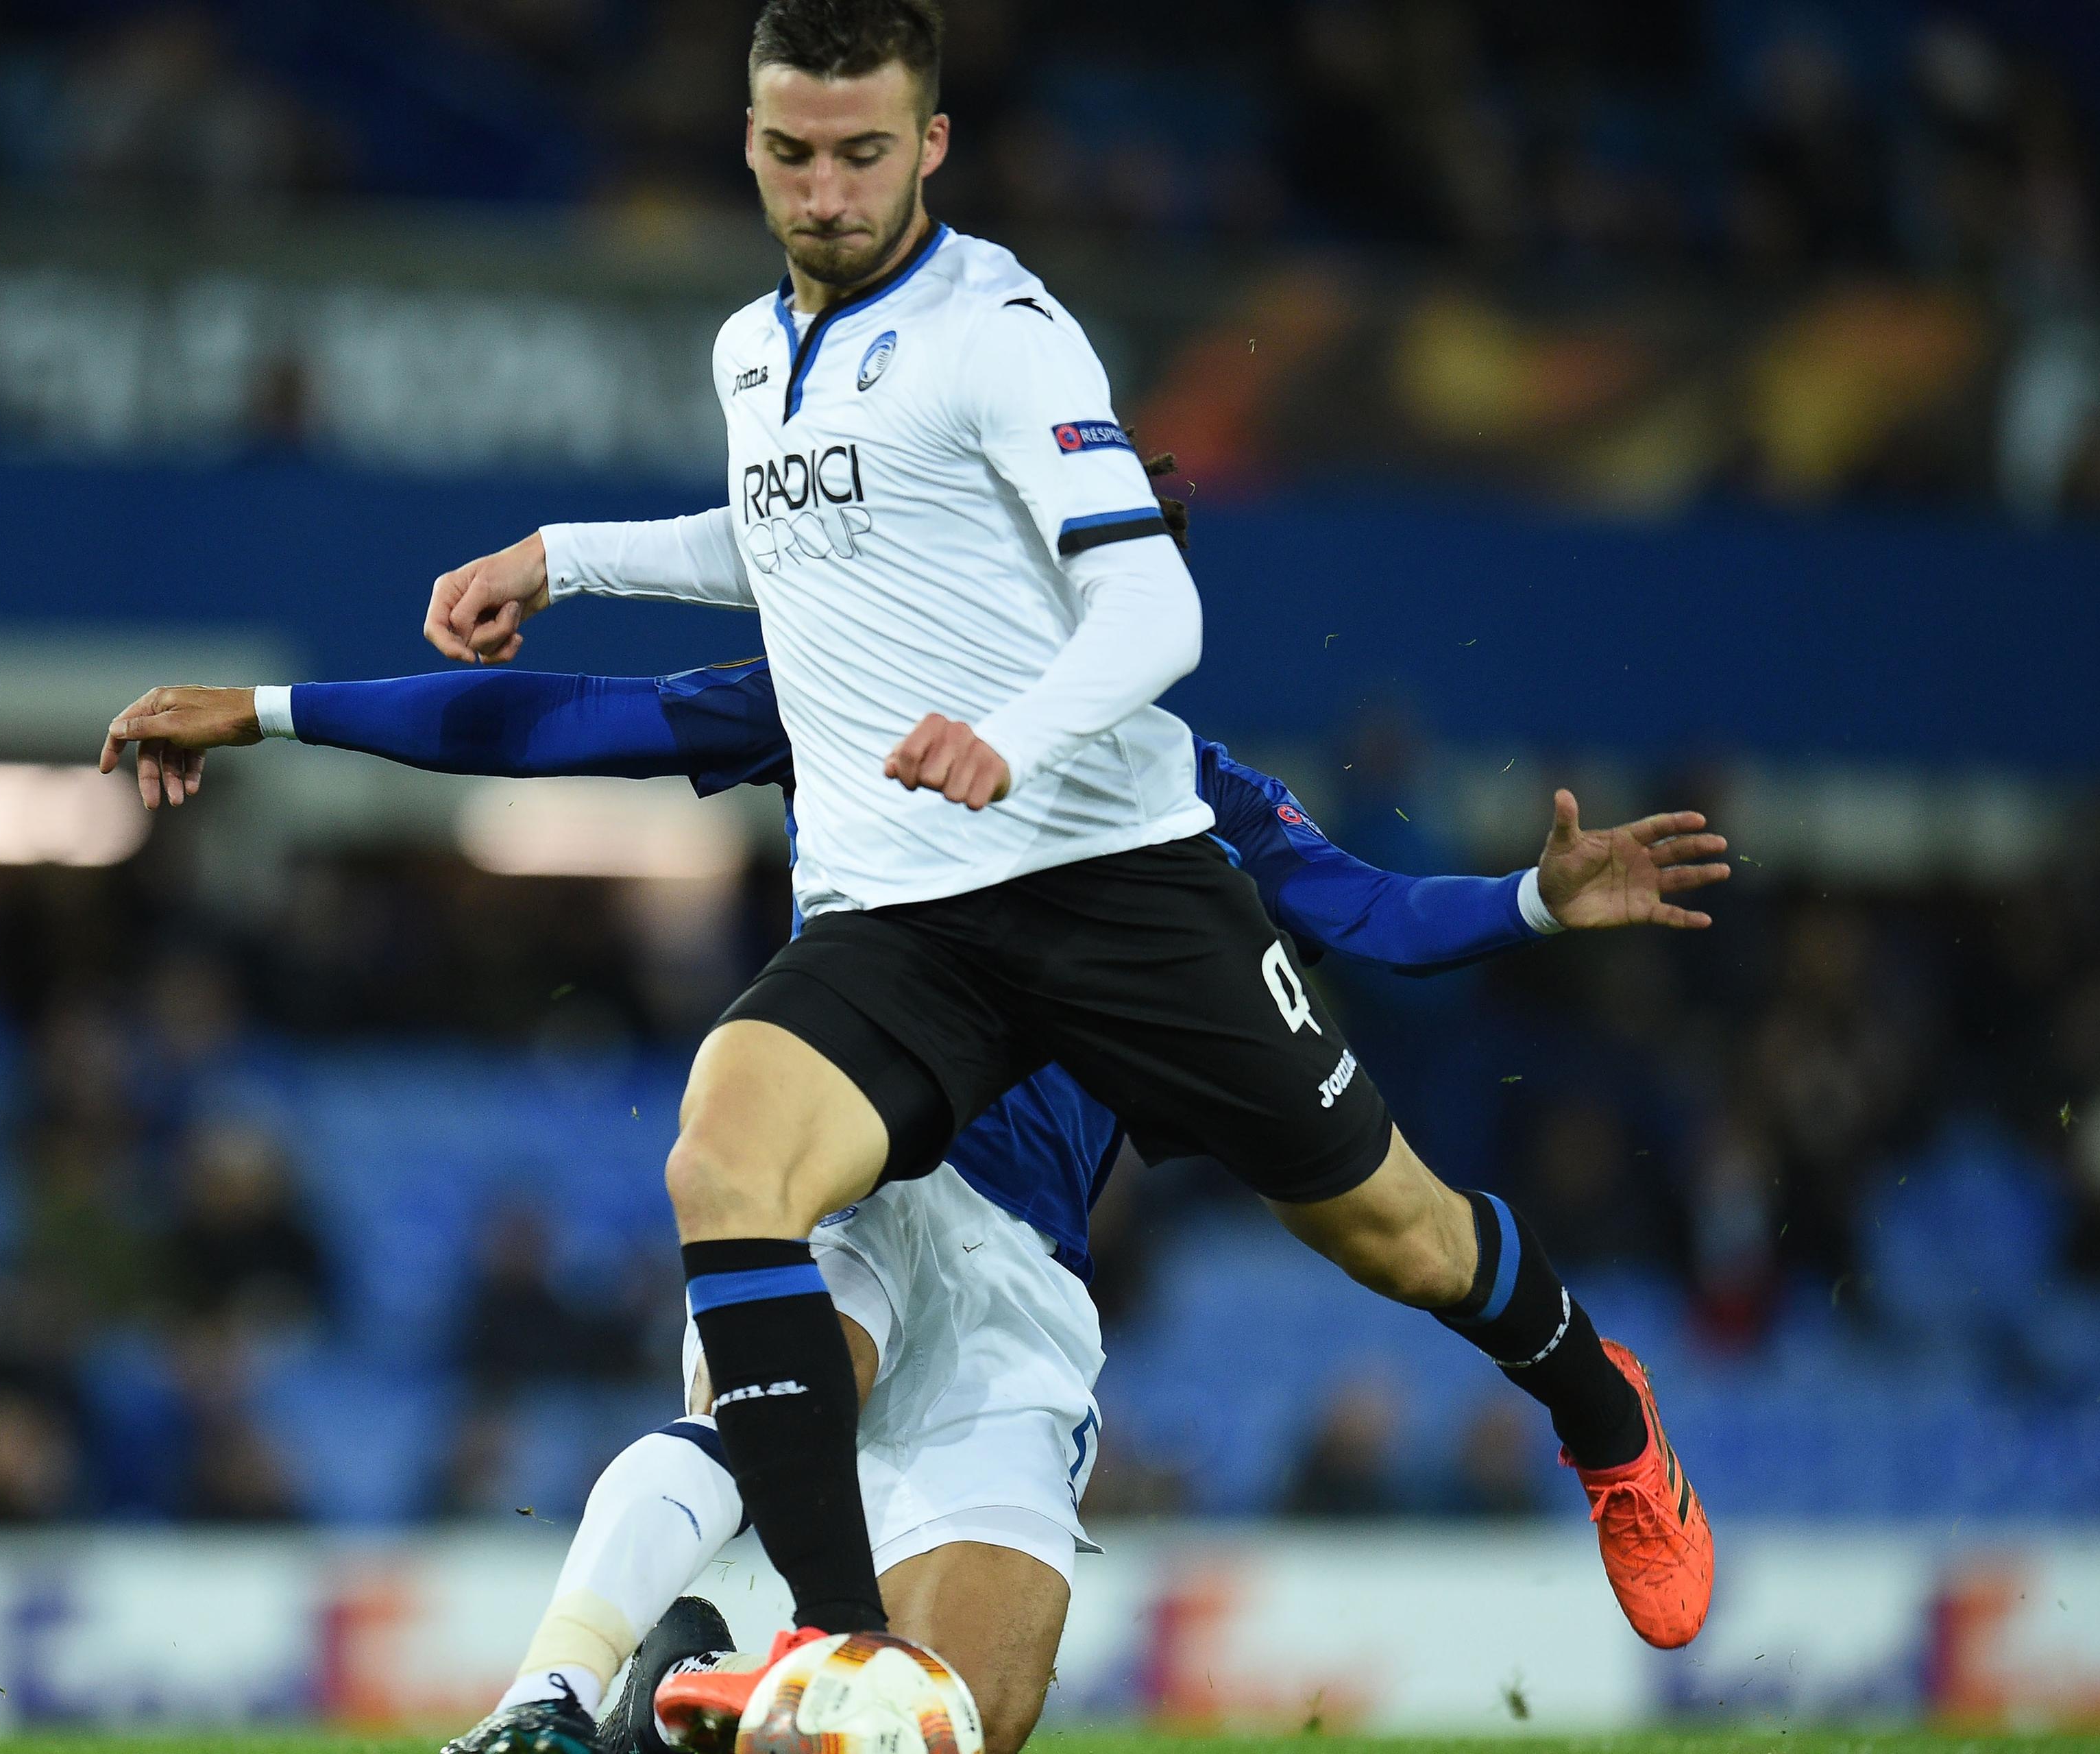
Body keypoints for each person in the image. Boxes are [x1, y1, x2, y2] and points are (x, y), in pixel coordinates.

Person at [99, 655, 1729, 1754]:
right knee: (775, 1329)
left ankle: (1604, 1412)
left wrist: (1529, 898)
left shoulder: (1168, 775)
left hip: (1028, 1269)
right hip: (864, 1159)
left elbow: (1362, 906)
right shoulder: (836, 667)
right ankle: (548, 1695)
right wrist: (267, 710)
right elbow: (557, 718)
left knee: (963, 1718)